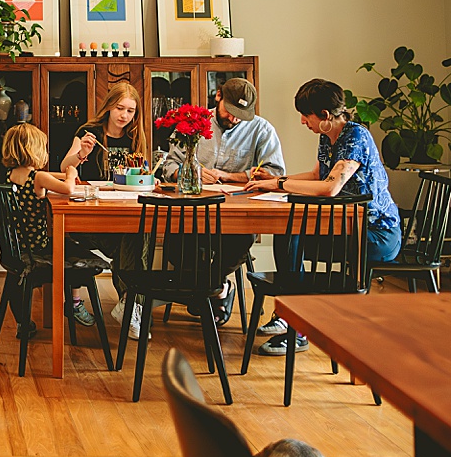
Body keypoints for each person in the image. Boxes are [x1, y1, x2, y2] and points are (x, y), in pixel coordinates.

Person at [247, 78, 403, 356]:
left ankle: (297, 326)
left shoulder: (355, 137)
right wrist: (275, 179)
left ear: (325, 116)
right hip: (348, 229)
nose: (302, 122)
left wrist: (278, 186)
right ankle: (292, 318)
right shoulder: (328, 136)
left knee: (293, 239)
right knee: (288, 234)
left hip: (376, 234)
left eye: (306, 116)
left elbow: (331, 187)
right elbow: (318, 175)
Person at [160, 77, 285, 325]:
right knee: (175, 246)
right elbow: (167, 164)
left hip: (236, 216)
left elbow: (274, 172)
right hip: (191, 212)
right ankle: (220, 288)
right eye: (231, 111)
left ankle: (207, 291)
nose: (235, 118)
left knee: (238, 243)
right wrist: (188, 172)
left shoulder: (261, 130)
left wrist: (229, 176)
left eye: (242, 114)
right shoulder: (193, 123)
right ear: (218, 97)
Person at [58, 81, 150, 338]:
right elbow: (65, 165)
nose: (124, 115)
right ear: (109, 106)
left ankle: (130, 305)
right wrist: (81, 154)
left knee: (137, 236)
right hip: (91, 215)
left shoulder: (135, 137)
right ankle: (132, 305)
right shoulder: (90, 131)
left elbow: (141, 174)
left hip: (124, 211)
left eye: (131, 111)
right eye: (120, 108)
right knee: (130, 244)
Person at [0, 123, 101, 327]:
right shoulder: (38, 177)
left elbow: (51, 178)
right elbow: (67, 189)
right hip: (38, 246)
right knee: (72, 246)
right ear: (34, 150)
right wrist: (71, 174)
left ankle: (23, 322)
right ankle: (74, 302)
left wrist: (62, 174)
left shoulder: (12, 175)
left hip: (19, 245)